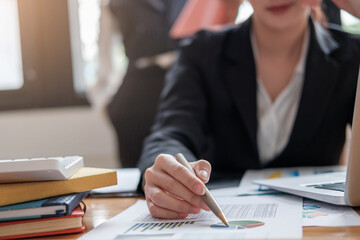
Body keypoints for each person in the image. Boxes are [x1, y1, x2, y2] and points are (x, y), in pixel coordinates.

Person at [138, 0, 360, 219]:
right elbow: (169, 133)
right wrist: (169, 172)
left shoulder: (352, 55)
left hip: (319, 226)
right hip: (218, 219)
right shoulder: (202, 52)